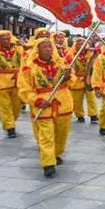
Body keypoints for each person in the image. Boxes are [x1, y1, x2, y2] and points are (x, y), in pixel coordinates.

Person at [17, 38, 73, 177]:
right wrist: (36, 100)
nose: (48, 49)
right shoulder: (28, 67)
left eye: (50, 46)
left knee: (61, 134)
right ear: (37, 50)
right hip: (43, 105)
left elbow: (73, 81)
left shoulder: (61, 63)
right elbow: (24, 89)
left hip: (63, 103)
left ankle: (57, 153)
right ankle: (48, 163)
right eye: (44, 47)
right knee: (46, 136)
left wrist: (68, 77)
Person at [0, 30, 23, 137]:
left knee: (17, 105)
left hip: (17, 81)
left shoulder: (18, 48)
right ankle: (10, 127)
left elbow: (28, 56)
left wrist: (25, 46)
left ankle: (11, 122)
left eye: (8, 39)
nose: (7, 41)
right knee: (4, 106)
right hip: (2, 82)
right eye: (4, 39)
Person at [67, 36, 99, 123]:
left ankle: (93, 114)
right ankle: (80, 115)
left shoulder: (90, 53)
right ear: (75, 45)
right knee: (77, 98)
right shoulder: (70, 55)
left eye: (83, 44)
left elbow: (98, 54)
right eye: (79, 44)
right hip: (77, 79)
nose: (81, 45)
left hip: (88, 77)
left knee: (91, 97)